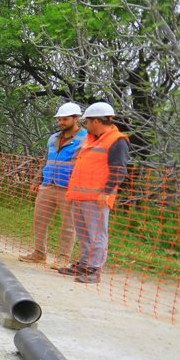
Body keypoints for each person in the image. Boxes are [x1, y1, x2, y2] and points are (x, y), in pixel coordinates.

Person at [62, 101, 130, 284]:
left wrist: (107, 192)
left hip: (97, 198)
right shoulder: (92, 139)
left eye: (88, 122)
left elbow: (119, 169)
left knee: (97, 235)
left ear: (97, 121)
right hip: (81, 196)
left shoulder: (117, 141)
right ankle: (84, 264)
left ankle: (94, 269)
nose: (86, 126)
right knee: (84, 234)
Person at [19, 102, 87, 267]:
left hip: (69, 187)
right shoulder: (53, 138)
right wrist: (37, 180)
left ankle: (63, 257)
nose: (61, 122)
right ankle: (39, 253)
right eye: (59, 119)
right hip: (48, 184)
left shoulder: (85, 138)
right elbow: (45, 159)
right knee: (40, 219)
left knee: (68, 225)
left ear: (76, 118)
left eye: (65, 119)